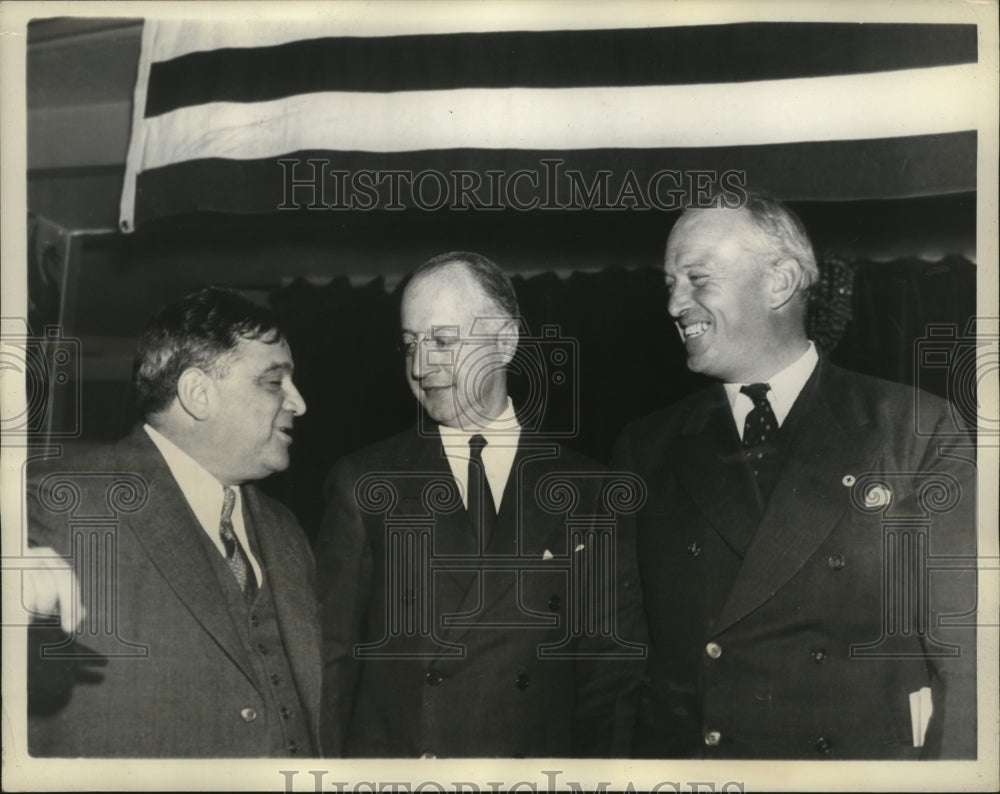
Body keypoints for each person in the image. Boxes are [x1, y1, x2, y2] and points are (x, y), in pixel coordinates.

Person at [615, 194, 977, 760]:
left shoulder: (916, 430)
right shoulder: (646, 447)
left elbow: (971, 656)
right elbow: (622, 668)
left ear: (779, 281)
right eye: (669, 284)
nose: (675, 304)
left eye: (697, 278)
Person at [316, 251, 646, 758]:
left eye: (443, 342)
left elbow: (610, 679)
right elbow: (330, 666)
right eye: (410, 346)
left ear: (506, 341)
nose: (421, 367)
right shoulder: (363, 482)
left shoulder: (590, 491)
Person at [24, 286, 321, 757]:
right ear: (198, 394)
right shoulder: (60, 503)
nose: (298, 403)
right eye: (273, 381)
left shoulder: (286, 531)